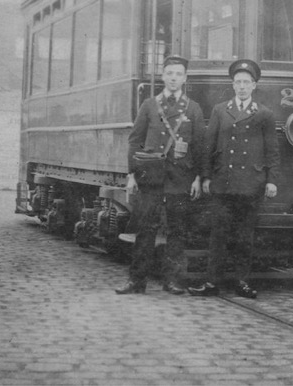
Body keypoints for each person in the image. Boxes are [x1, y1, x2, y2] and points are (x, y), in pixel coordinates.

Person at [188, 59, 279, 299]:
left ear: (254, 85)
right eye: (238, 82)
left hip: (251, 185)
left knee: (244, 237)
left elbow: (272, 151)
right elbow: (209, 146)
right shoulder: (220, 110)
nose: (241, 86)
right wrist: (206, 176)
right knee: (218, 236)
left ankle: (242, 282)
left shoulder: (264, 114)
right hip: (223, 183)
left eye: (246, 82)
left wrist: (271, 180)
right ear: (232, 85)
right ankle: (212, 283)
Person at [115, 56, 205, 295]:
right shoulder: (149, 105)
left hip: (180, 179)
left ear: (185, 78)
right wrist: (132, 174)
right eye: (170, 73)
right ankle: (136, 282)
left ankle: (173, 281)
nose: (174, 78)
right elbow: (135, 141)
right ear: (163, 76)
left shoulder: (193, 108)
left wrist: (197, 177)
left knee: (177, 231)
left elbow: (199, 146)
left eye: (178, 74)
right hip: (151, 178)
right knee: (145, 230)